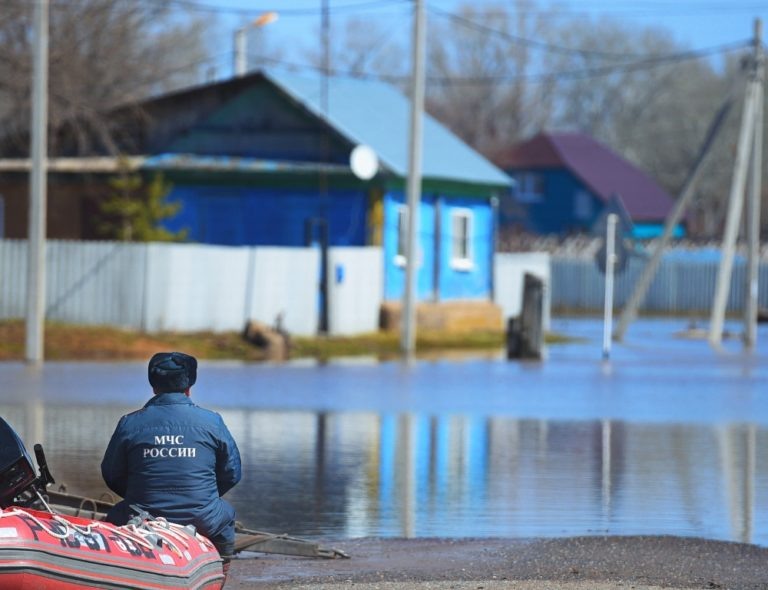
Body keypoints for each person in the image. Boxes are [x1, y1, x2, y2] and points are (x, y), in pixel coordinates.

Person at [101, 351, 242, 563]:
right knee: (225, 515)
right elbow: (232, 473)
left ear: (153, 385)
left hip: (141, 517)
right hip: (203, 517)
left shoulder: (129, 423)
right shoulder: (212, 422)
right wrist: (203, 496)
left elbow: (111, 474)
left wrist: (141, 493)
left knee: (113, 517)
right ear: (189, 386)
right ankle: (220, 572)